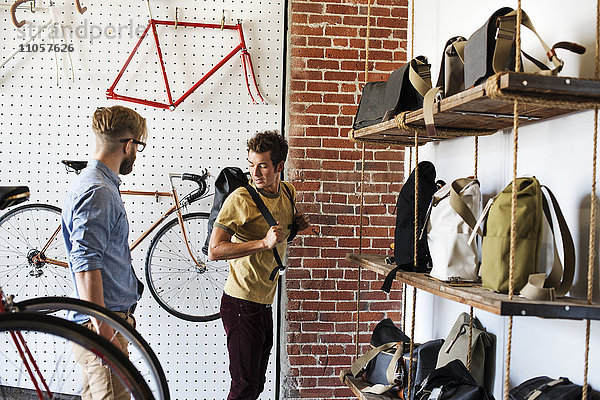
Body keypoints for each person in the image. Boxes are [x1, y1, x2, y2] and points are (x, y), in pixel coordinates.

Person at [208, 130, 310, 400]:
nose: (255, 172)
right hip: (240, 303)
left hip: (263, 304)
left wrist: (296, 225)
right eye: (251, 165)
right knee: (243, 387)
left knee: (255, 386)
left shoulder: (288, 192)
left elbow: (279, 234)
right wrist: (261, 243)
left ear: (279, 166)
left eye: (262, 165)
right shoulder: (241, 199)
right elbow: (215, 250)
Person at [62, 105, 148, 400]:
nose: (137, 153)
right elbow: (85, 262)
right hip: (103, 326)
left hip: (104, 323)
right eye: (139, 145)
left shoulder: (98, 185)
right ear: (128, 145)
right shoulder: (99, 191)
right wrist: (103, 329)